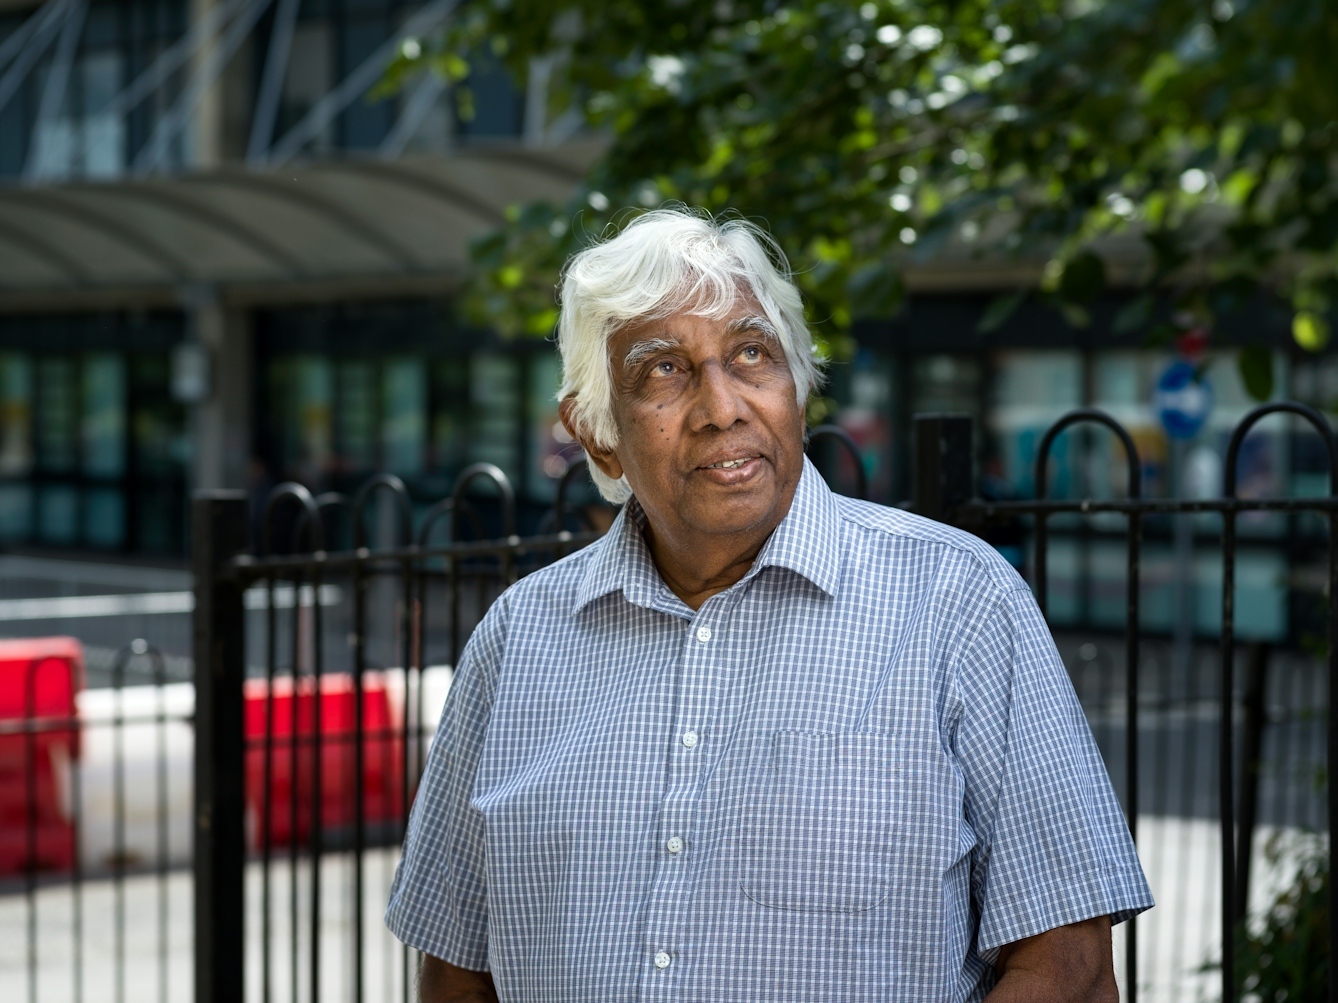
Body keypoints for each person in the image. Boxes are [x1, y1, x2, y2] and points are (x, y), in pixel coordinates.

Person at [385, 207, 1152, 1002]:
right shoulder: (517, 639)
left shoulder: (958, 602)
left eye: (751, 353)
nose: (723, 406)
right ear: (598, 434)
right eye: (664, 370)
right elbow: (453, 971)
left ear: (798, 387)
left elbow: (1071, 969)